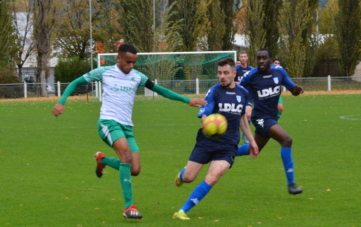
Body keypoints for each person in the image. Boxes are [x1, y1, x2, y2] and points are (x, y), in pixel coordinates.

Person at [51, 43, 207, 219]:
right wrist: (62, 101)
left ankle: (102, 160)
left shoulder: (137, 76)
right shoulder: (104, 72)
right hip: (108, 122)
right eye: (127, 62)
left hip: (127, 127)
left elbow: (160, 90)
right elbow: (76, 82)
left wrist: (186, 100)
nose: (131, 66)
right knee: (125, 156)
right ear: (118, 58)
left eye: (133, 62)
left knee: (135, 169)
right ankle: (129, 207)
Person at [172, 58, 259, 220]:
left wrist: (252, 142)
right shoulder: (214, 91)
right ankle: (182, 175)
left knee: (213, 177)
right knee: (189, 178)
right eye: (219, 73)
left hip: (229, 144)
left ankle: (182, 211)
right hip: (207, 141)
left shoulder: (243, 93)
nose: (222, 76)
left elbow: (243, 121)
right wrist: (208, 125)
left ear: (234, 74)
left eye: (226, 73)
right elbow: (204, 114)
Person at [236, 48, 304, 195]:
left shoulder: (279, 72)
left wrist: (297, 89)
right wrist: (244, 106)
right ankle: (291, 184)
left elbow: (293, 90)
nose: (261, 61)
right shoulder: (251, 76)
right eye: (258, 58)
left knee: (253, 149)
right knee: (286, 140)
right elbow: (237, 90)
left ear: (270, 59)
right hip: (259, 117)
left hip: (271, 117)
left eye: (264, 58)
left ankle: (224, 151)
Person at [235, 51, 253, 143]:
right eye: (241, 57)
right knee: (238, 116)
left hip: (248, 95)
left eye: (244, 56)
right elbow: (231, 81)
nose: (242, 58)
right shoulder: (236, 69)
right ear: (239, 58)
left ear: (247, 58)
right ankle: (235, 134)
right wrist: (240, 83)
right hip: (238, 95)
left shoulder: (251, 70)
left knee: (248, 114)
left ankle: (245, 134)